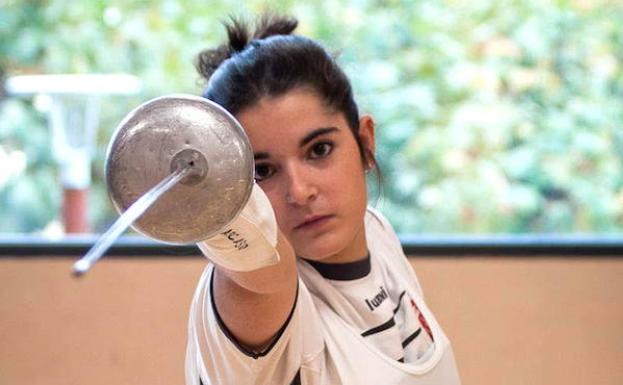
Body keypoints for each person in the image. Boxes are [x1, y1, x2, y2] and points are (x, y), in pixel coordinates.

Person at [185, 14, 461, 385]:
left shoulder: (376, 233)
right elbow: (259, 265)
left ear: (365, 142)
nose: (299, 191)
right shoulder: (257, 295)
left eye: (320, 149)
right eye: (262, 172)